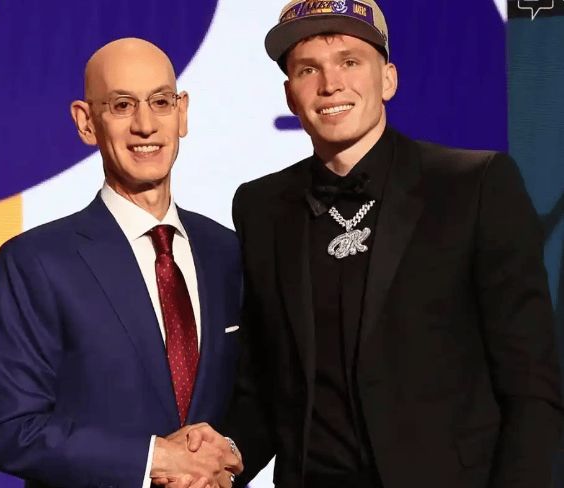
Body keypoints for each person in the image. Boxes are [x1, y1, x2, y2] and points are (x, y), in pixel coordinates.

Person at [223, 1, 564, 487]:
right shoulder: (261, 206)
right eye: (308, 69)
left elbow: (530, 384)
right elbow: (264, 383)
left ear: (388, 79)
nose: (330, 84)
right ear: (290, 95)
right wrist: (217, 462)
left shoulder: (476, 186)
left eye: (349, 61)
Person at [0, 38, 242, 488]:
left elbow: (257, 396)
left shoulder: (225, 251)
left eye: (161, 102)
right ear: (86, 122)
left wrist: (227, 455)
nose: (145, 125)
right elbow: (9, 430)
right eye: (122, 105)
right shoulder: (36, 262)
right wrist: (154, 459)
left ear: (182, 113)